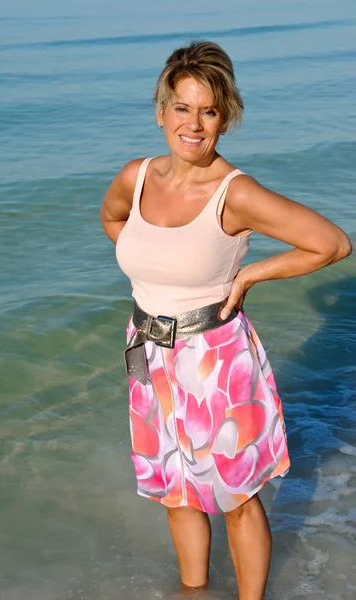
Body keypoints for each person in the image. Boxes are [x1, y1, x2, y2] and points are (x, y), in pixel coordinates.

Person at [100, 41, 352, 600]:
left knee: (236, 496)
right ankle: (194, 593)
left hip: (213, 357)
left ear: (225, 118)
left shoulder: (234, 193)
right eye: (183, 108)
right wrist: (152, 267)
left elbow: (330, 243)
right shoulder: (135, 177)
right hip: (147, 353)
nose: (193, 124)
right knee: (176, 491)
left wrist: (248, 275)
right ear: (161, 111)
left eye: (208, 111)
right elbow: (113, 218)